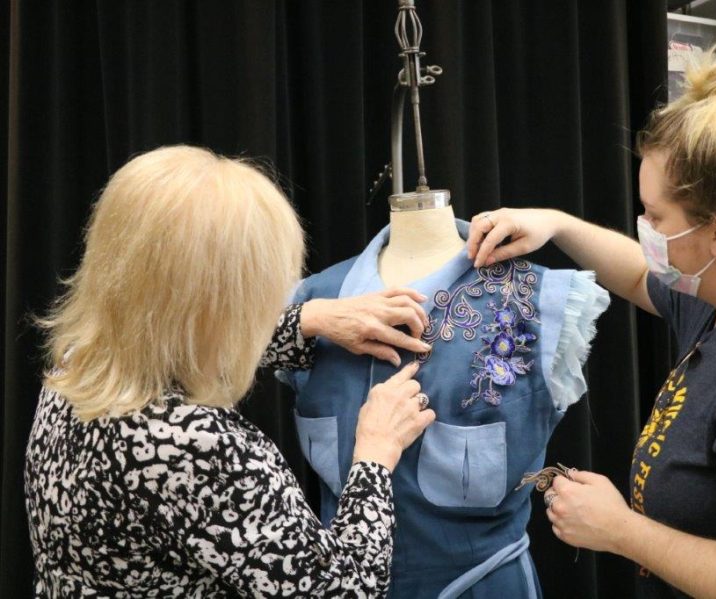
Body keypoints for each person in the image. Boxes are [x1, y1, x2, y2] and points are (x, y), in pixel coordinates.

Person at [467, 53, 716, 598]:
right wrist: (555, 224)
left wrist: (621, 531)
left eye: (656, 217)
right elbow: (640, 275)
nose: (644, 230)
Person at [24, 145, 436, 597]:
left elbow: (168, 339)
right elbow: (345, 591)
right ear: (217, 305)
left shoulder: (79, 362)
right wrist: (375, 456)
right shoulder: (200, 449)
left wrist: (306, 320)